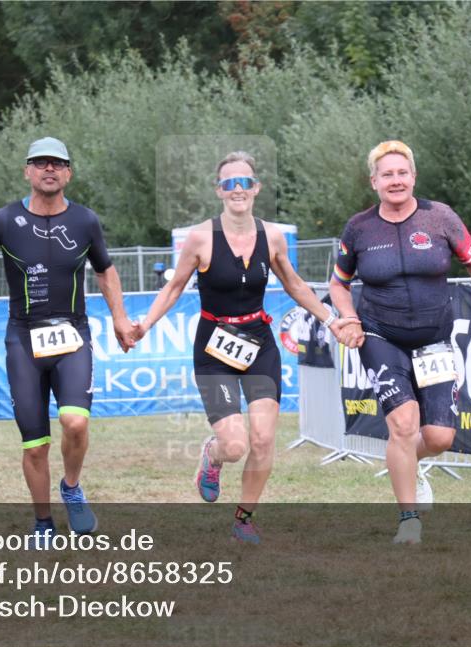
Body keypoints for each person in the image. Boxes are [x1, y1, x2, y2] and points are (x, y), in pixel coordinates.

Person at [133, 151, 351, 544]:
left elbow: (295, 285)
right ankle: (212, 456)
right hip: (214, 348)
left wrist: (331, 319)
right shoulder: (201, 237)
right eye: (229, 183)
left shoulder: (273, 237)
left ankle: (244, 519)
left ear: (256, 188)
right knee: (235, 445)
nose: (238, 189)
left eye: (244, 182)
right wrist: (145, 324)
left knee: (265, 439)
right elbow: (174, 287)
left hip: (259, 345)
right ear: (219, 191)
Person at [0, 136, 135, 544]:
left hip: (73, 334)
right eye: (40, 163)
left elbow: (106, 270)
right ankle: (43, 523)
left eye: (57, 164)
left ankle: (72, 487)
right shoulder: (3, 221)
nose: (48, 169)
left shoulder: (85, 221)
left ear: (68, 174)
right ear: (27, 171)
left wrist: (119, 318)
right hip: (23, 340)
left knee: (75, 422)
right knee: (35, 443)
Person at [328, 140, 471, 545]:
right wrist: (350, 318)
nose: (396, 181)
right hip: (379, 335)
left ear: (414, 177)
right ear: (374, 181)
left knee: (440, 437)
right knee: (404, 423)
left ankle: (406, 461)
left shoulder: (440, 218)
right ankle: (409, 520)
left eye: (402, 173)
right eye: (387, 174)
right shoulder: (359, 228)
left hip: (434, 339)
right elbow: (339, 285)